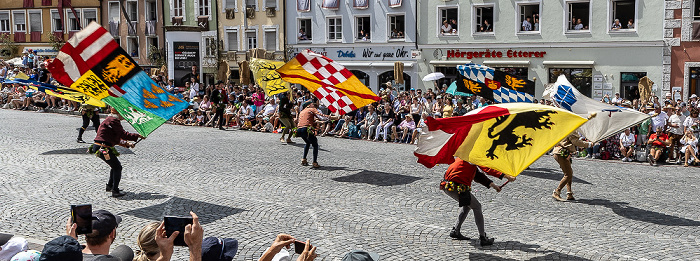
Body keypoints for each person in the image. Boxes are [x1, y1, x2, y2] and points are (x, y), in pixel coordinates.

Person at [441, 158, 515, 246]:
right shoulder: (473, 157)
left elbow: (477, 175)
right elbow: (488, 169)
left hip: (448, 186)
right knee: (477, 207)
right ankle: (483, 238)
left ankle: (456, 231)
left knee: (467, 205)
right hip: (455, 187)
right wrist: (507, 176)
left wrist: (494, 186)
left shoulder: (465, 157)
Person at [89, 108, 144, 197]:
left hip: (102, 146)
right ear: (118, 113)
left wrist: (127, 143)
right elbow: (123, 134)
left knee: (114, 166)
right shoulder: (114, 120)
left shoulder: (109, 120)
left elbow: (115, 138)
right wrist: (137, 136)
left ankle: (110, 186)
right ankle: (115, 190)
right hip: (103, 147)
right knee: (117, 167)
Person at [65, 210, 134, 261]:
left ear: (84, 233)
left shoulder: (69, 255)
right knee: (125, 250)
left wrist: (70, 242)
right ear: (112, 234)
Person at [552, 132, 592, 201]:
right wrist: (589, 144)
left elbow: (569, 143)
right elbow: (575, 142)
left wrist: (577, 149)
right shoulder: (572, 129)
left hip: (561, 152)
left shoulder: (567, 128)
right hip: (561, 153)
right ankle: (557, 192)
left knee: (569, 172)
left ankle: (569, 193)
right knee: (568, 175)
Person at [296, 101, 328, 168]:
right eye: (312, 104)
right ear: (309, 105)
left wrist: (317, 122)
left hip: (299, 130)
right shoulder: (311, 109)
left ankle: (304, 159)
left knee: (307, 143)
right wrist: (331, 117)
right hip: (306, 129)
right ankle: (314, 162)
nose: (314, 105)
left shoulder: (302, 112)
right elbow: (321, 116)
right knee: (315, 145)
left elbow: (307, 120)